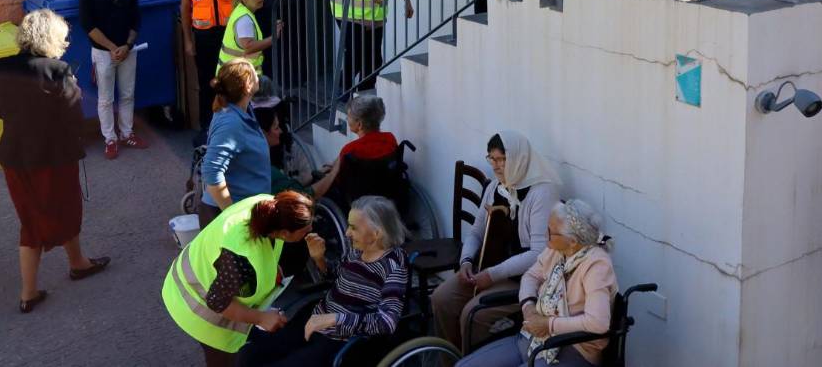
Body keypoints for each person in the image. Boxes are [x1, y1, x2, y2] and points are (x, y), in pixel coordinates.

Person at [0, 9, 110, 313]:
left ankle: (30, 292)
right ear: (51, 37)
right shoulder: (58, 70)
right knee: (67, 209)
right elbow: (73, 114)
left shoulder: (2, 66)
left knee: (30, 220)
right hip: (53, 156)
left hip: (15, 156)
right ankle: (76, 264)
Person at [238, 196, 410, 367]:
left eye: (353, 228)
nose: (347, 233)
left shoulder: (393, 266)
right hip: (316, 320)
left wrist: (335, 319)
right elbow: (336, 278)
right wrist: (319, 259)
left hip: (341, 340)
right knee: (250, 354)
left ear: (376, 233)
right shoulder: (358, 251)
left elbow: (387, 322)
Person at [432, 131, 561, 352]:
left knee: (473, 314)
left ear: (519, 159)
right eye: (492, 159)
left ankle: (471, 360)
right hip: (489, 269)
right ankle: (451, 359)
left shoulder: (542, 192)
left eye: (502, 159)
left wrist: (492, 275)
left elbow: (539, 253)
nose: (496, 165)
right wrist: (466, 262)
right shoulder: (496, 187)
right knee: (441, 299)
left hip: (523, 278)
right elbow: (476, 232)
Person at [161, 190, 315, 367]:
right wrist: (261, 318)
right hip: (192, 305)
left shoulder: (268, 206)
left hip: (198, 273)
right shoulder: (241, 259)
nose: (309, 232)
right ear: (285, 233)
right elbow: (217, 301)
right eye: (305, 231)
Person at [457, 200, 618, 367]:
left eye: (551, 232)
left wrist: (549, 324)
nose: (545, 236)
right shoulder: (556, 250)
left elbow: (598, 323)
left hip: (573, 350)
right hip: (534, 339)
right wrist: (529, 308)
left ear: (572, 241)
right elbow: (530, 276)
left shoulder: (596, 265)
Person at [78, 0, 147, 160]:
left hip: (128, 50)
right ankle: (110, 139)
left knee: (127, 94)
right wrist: (111, 47)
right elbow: (88, 25)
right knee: (105, 99)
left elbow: (136, 19)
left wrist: (126, 46)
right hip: (102, 53)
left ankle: (127, 133)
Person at [200, 60, 272, 228]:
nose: (258, 75)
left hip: (248, 213)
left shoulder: (243, 111)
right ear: (247, 86)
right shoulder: (231, 123)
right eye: (254, 72)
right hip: (232, 220)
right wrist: (231, 214)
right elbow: (211, 171)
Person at [182, 0, 240, 132]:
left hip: (228, 35)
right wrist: (189, 42)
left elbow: (241, 4)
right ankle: (207, 128)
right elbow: (186, 7)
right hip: (204, 36)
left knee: (231, 82)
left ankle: (231, 126)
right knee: (207, 83)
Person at [309, 94, 399, 199]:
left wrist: (328, 172)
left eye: (348, 116)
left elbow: (336, 179)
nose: (347, 119)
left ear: (359, 124)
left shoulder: (350, 150)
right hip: (386, 193)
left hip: (356, 201)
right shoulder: (390, 138)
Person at [217, 0, 284, 75]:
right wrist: (274, 37)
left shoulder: (241, 11)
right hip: (238, 78)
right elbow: (249, 46)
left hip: (235, 75)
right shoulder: (244, 18)